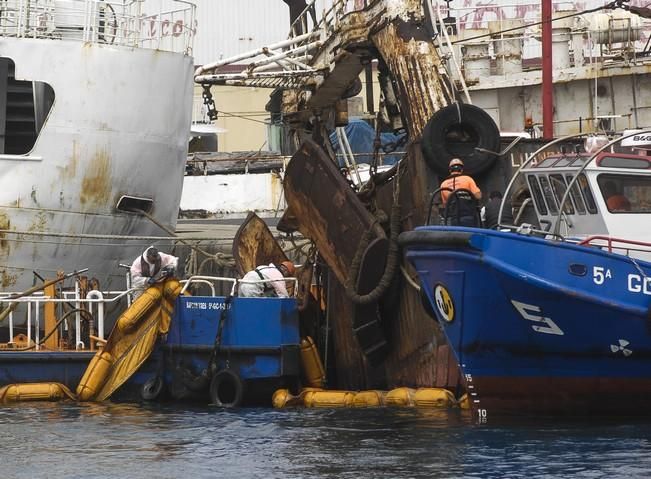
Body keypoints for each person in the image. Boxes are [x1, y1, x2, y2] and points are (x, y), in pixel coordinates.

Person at [439, 158, 482, 226]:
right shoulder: (468, 179)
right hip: (469, 217)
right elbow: (478, 196)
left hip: (454, 219)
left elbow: (445, 205)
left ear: (450, 170)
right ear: (461, 169)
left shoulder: (443, 184)